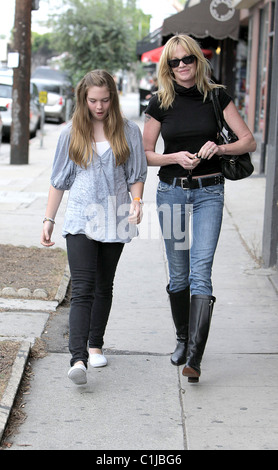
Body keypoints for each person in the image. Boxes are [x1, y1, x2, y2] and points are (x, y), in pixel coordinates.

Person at [143, 35, 256, 382]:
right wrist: (173, 156)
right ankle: (181, 339)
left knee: (201, 269)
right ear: (167, 66)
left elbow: (248, 140)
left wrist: (219, 150)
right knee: (179, 273)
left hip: (209, 192)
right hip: (172, 192)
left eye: (187, 60)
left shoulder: (217, 95)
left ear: (198, 60)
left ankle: (194, 355)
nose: (182, 67)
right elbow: (146, 154)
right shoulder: (160, 101)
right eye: (174, 62)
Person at [41, 70, 147, 385]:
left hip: (115, 217)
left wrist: (137, 201)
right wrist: (49, 219)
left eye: (104, 100)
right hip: (80, 220)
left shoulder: (129, 132)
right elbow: (58, 181)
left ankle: (95, 343)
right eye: (92, 101)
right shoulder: (70, 132)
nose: (98, 107)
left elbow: (136, 174)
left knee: (104, 285)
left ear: (112, 98)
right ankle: (77, 359)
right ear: (83, 100)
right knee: (83, 287)